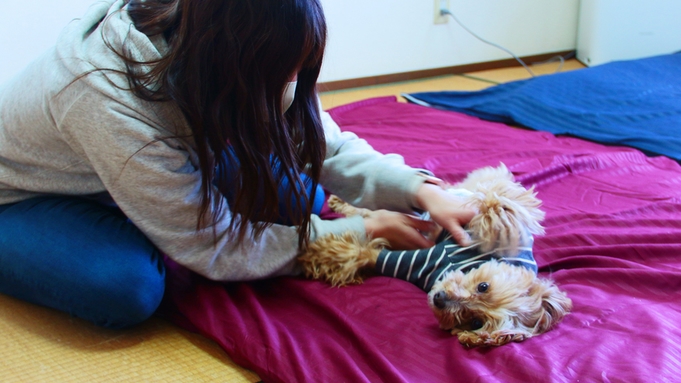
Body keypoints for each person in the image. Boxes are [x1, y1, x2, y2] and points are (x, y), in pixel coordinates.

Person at [0, 0, 475, 329]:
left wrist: (420, 191)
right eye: (282, 75)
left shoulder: (230, 45)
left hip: (135, 163)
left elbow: (321, 146)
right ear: (230, 69)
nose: (293, 85)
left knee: (299, 197)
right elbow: (220, 248)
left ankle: (151, 210)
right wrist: (363, 230)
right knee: (127, 288)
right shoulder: (105, 97)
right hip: (26, 195)